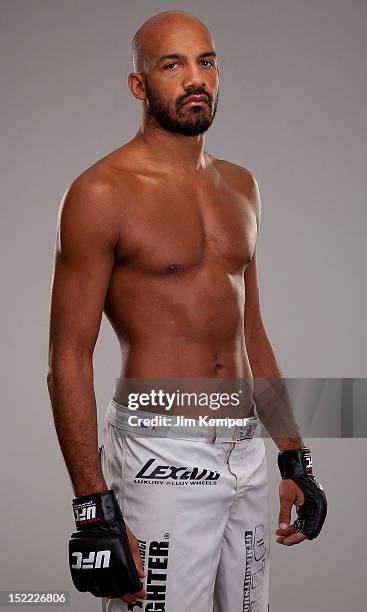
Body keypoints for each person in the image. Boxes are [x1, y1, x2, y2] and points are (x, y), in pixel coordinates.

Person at [47, 10, 327, 612]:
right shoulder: (101, 194)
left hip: (245, 449)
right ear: (139, 85)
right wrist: (92, 506)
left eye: (206, 61)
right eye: (172, 64)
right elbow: (68, 355)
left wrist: (294, 455)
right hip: (159, 454)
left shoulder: (242, 187)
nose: (194, 77)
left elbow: (250, 331)